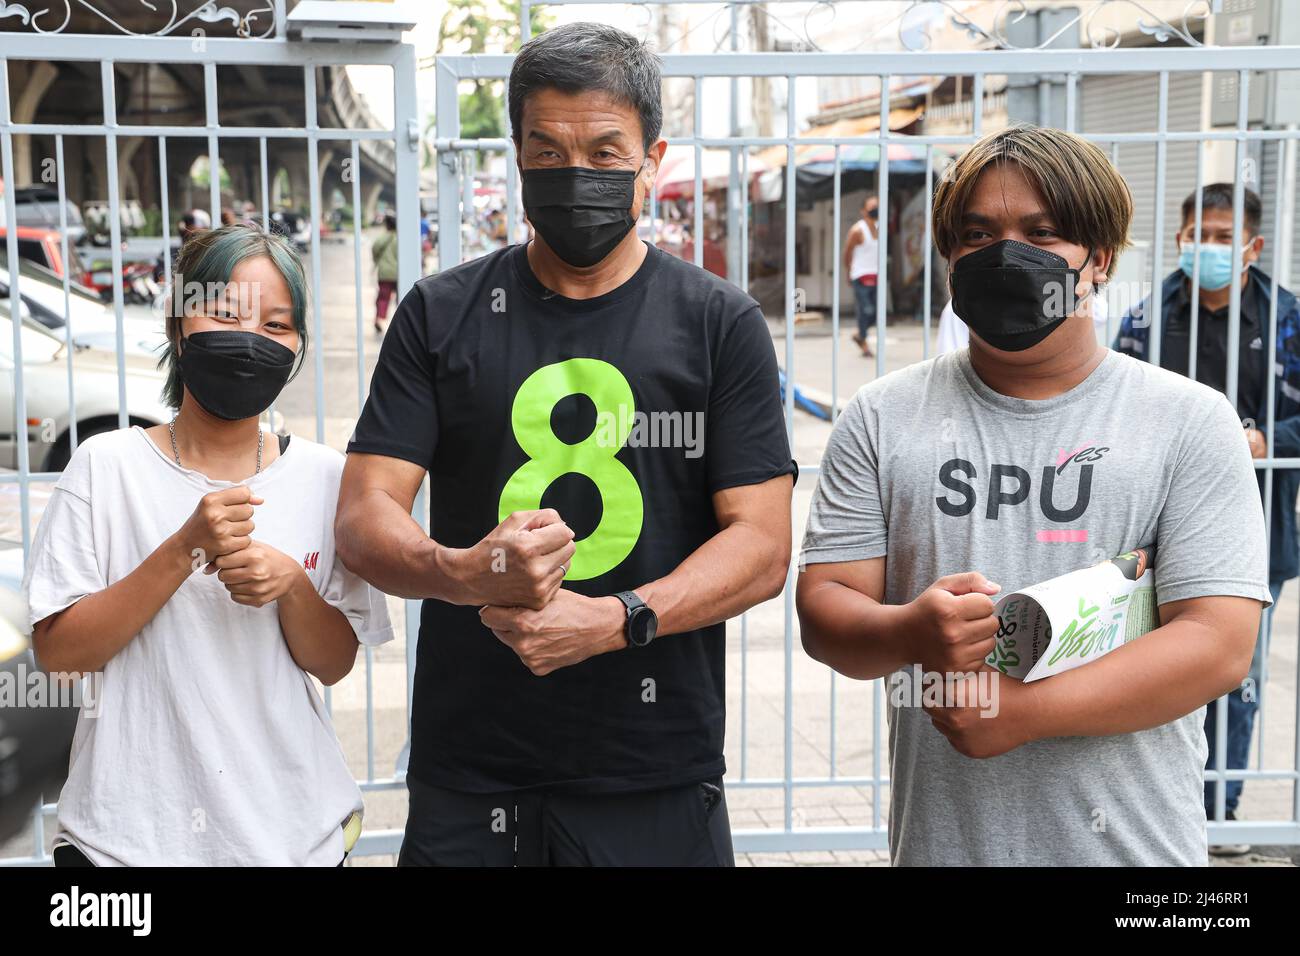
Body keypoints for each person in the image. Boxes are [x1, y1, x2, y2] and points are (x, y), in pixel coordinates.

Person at [336, 22, 795, 867]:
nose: (574, 174)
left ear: (651, 160)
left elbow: (764, 548)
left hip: (653, 768)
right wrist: (462, 572)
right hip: (471, 770)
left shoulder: (717, 322)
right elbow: (365, 518)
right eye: (546, 152)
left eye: (604, 150)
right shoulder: (441, 314)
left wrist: (619, 622)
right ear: (515, 158)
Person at [796, 123, 1270, 866]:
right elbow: (825, 611)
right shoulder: (883, 415)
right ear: (950, 256)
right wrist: (911, 631)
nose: (1005, 255)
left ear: (1100, 260)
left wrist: (1022, 713)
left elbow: (1217, 644)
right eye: (978, 233)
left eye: (1041, 233)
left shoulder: (1189, 421)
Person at [23, 223, 393, 866]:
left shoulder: (324, 477)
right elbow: (59, 655)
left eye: (277, 326)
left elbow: (334, 663)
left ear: (299, 344)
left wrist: (291, 585)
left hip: (292, 838)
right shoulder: (105, 466)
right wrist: (180, 551)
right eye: (225, 314)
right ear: (177, 325)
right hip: (121, 847)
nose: (251, 342)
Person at [1113, 184, 1300, 848]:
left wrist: (1265, 441)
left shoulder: (1287, 319)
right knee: (1149, 664)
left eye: (1223, 237)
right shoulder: (1145, 319)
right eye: (1198, 234)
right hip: (1151, 534)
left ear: (1252, 246)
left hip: (1256, 528)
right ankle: (1160, 809)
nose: (1207, 247)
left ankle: (1218, 810)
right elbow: (1111, 407)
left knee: (1234, 673)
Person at [842, 194, 879, 358]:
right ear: (864, 211)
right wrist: (848, 272)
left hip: (876, 275)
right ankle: (863, 342)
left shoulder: (880, 227)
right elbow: (847, 253)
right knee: (866, 309)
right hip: (860, 276)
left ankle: (860, 334)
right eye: (872, 208)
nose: (876, 210)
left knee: (876, 313)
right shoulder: (857, 230)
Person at [371, 211, 399, 334]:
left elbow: (375, 249)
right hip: (399, 272)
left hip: (385, 273)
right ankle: (402, 321)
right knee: (403, 298)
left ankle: (378, 320)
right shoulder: (401, 237)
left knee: (383, 298)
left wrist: (378, 260)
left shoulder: (383, 237)